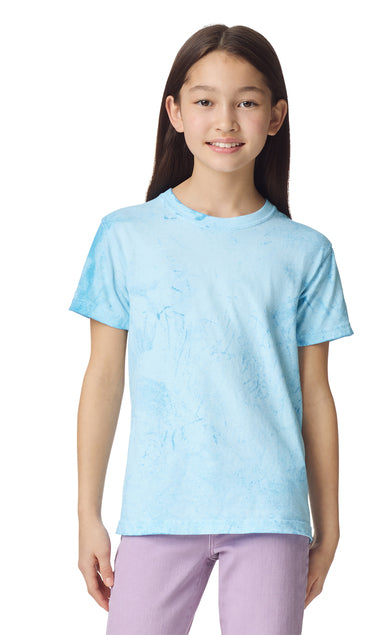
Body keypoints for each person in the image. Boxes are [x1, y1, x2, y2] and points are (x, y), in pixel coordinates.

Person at [69, 23, 354, 635]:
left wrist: (328, 529)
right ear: (174, 112)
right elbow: (103, 378)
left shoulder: (306, 252)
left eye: (247, 102)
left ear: (275, 116)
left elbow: (316, 395)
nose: (225, 120)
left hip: (270, 512)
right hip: (158, 508)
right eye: (205, 101)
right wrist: (88, 513)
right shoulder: (126, 236)